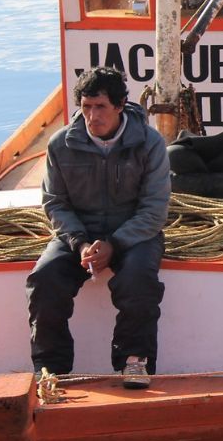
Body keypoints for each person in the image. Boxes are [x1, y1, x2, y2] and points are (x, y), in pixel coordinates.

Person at [27, 67, 171, 389]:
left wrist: (114, 244)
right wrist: (79, 244)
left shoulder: (150, 144)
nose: (92, 116)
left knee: (138, 281)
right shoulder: (60, 145)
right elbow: (55, 203)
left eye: (101, 107)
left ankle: (134, 361)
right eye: (86, 107)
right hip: (78, 234)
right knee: (44, 279)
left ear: (120, 106)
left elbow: (154, 209)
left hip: (135, 234)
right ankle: (51, 368)